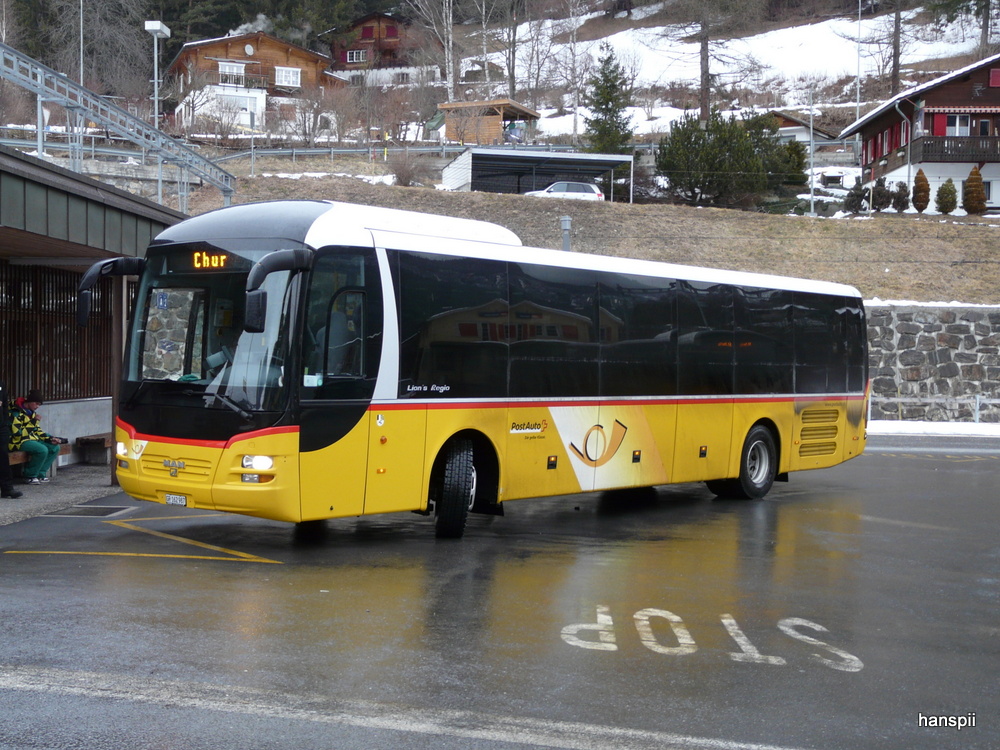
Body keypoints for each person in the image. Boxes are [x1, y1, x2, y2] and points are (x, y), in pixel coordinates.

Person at [8, 389, 62, 485]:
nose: (37, 407)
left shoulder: (30, 412)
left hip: (31, 439)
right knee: (42, 449)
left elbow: (37, 430)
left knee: (54, 447)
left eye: (39, 405)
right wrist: (33, 422)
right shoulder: (15, 413)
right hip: (17, 442)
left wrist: (50, 438)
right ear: (29, 401)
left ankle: (40, 474)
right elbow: (17, 434)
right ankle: (30, 475)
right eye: (36, 403)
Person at [0, 379, 24, 498]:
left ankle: (7, 488)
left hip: (1, 427)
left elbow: (4, 406)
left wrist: (4, 423)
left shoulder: (1, 384)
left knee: (3, 457)